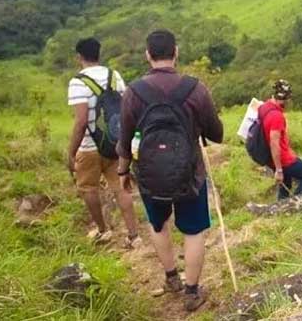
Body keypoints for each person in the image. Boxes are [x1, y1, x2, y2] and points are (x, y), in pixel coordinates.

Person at [116, 30, 223, 312]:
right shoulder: (195, 88)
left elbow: (125, 138)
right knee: (193, 231)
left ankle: (171, 278)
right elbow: (218, 133)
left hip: (150, 175)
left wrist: (123, 171)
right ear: (176, 52)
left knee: (158, 225)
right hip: (191, 174)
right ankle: (191, 292)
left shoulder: (133, 92)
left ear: (147, 55)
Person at [66, 37, 140, 248]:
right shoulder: (113, 75)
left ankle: (102, 230)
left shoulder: (77, 82)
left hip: (89, 146)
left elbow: (80, 121)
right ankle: (134, 236)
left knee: (88, 188)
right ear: (100, 54)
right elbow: (125, 108)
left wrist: (71, 152)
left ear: (79, 57)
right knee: (120, 187)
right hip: (114, 142)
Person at [257, 79, 302, 200]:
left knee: (286, 183)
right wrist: (279, 169)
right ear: (286, 98)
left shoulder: (264, 107)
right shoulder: (276, 116)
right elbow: (274, 143)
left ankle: (281, 207)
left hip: (270, 158)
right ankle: (296, 203)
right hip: (283, 160)